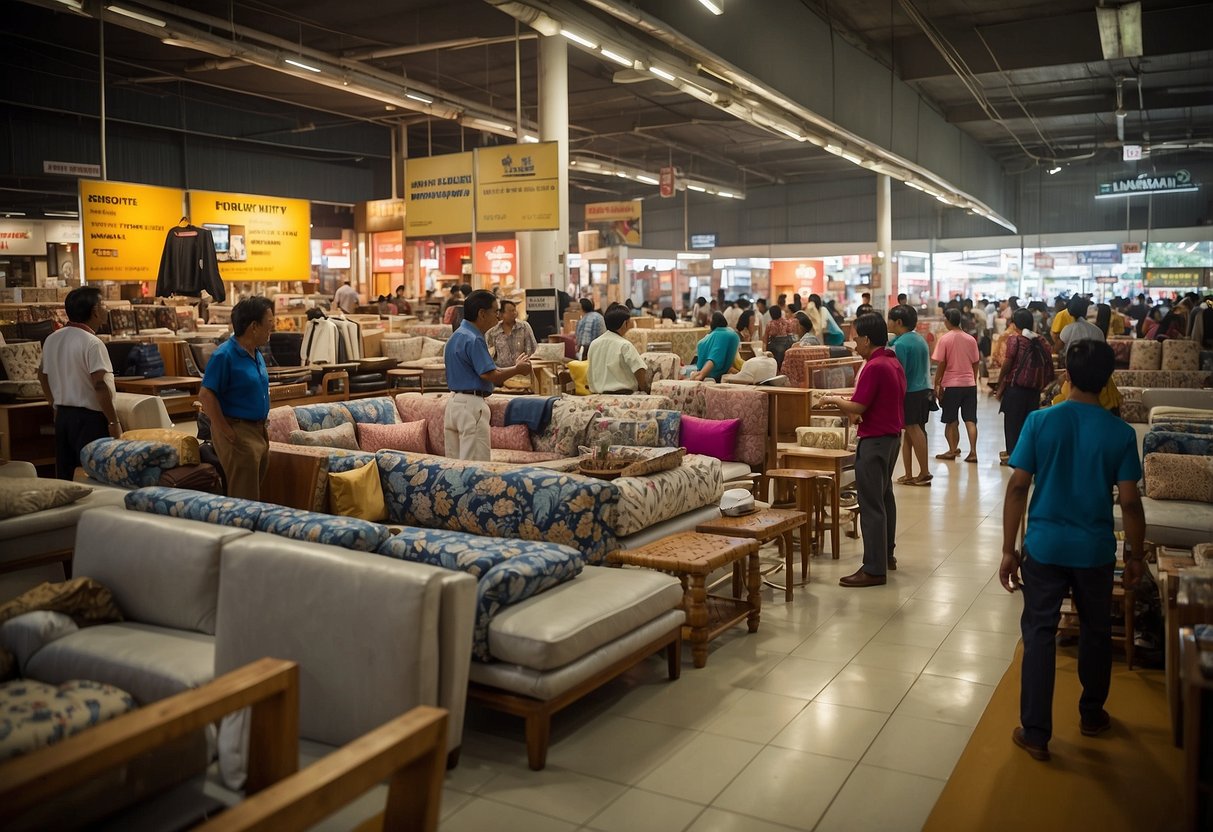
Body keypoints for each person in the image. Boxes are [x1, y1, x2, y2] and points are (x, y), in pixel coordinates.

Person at [1000, 339, 1145, 762]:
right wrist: (1134, 556)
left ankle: (1036, 732)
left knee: (1040, 636)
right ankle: (1092, 714)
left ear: (1066, 376)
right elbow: (1131, 503)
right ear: (1107, 381)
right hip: (1095, 550)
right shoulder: (1119, 433)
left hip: (1044, 547)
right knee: (1096, 632)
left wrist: (1009, 550)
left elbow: (1017, 488)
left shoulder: (1040, 422)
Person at [822, 313, 906, 585]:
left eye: (856, 337)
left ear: (867, 339)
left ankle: (873, 569)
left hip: (876, 439)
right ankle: (887, 556)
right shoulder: (892, 362)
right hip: (892, 436)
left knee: (870, 504)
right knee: (884, 498)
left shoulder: (874, 366)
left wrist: (833, 399)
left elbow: (858, 407)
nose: (854, 342)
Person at [37, 287, 121, 480]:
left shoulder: (52, 338)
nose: (106, 309)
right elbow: (100, 385)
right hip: (90, 420)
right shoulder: (92, 343)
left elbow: (42, 375)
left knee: (66, 474)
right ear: (95, 311)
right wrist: (113, 421)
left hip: (63, 417)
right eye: (103, 305)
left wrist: (54, 404)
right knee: (95, 475)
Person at [198, 297, 274, 500]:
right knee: (244, 496)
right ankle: (240, 531)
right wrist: (227, 432)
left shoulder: (255, 353)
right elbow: (206, 395)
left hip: (258, 430)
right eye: (269, 323)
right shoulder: (224, 355)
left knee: (256, 492)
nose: (271, 328)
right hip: (238, 430)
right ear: (254, 326)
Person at [443, 291, 531, 460]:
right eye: (495, 312)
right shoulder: (474, 339)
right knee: (475, 469)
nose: (498, 317)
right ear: (482, 314)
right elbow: (491, 375)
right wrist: (518, 369)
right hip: (471, 407)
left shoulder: (455, 337)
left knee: (453, 467)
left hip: (453, 405)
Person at [996, 309, 1053, 464]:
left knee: (1012, 424)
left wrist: (1001, 381)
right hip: (1034, 390)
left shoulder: (1015, 340)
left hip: (1016, 389)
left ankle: (1013, 455)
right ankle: (1027, 454)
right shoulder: (1041, 340)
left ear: (1015, 324)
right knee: (1029, 424)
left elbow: (1007, 364)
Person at [887, 304, 932, 485]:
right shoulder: (918, 339)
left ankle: (924, 472)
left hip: (910, 392)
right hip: (924, 390)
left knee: (913, 429)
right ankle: (909, 473)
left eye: (890, 319)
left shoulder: (901, 344)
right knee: (913, 431)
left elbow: (899, 372)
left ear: (898, 321)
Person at [933, 308, 981, 462]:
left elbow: (942, 363)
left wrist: (937, 382)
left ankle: (952, 450)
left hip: (952, 385)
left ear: (947, 320)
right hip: (969, 385)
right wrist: (972, 379)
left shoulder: (945, 339)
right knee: (970, 419)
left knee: (951, 420)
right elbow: (975, 362)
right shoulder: (970, 339)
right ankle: (973, 452)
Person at [587, 307, 647, 394]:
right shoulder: (624, 345)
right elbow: (639, 369)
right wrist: (645, 389)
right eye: (629, 322)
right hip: (624, 396)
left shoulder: (594, 344)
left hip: (597, 396)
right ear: (624, 324)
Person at [485, 300, 537, 367]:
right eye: (511, 311)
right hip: (502, 373)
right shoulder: (492, 332)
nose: (514, 313)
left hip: (522, 371)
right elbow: (489, 354)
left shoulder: (524, 327)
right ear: (501, 314)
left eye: (515, 310)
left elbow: (532, 349)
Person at [691, 313, 741, 382]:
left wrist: (701, 374)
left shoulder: (720, 335)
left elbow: (713, 359)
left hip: (708, 373)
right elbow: (715, 359)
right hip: (712, 373)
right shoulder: (731, 334)